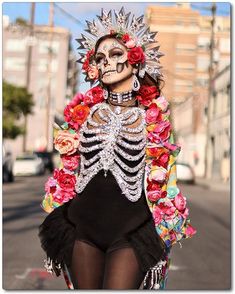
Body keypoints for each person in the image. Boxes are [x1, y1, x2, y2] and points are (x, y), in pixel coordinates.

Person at [39, 7, 196, 290]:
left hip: (132, 230)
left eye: (116, 54)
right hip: (81, 227)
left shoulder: (153, 118)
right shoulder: (81, 114)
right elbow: (68, 170)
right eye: (100, 58)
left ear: (136, 62)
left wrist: (168, 217)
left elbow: (164, 176)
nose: (107, 63)